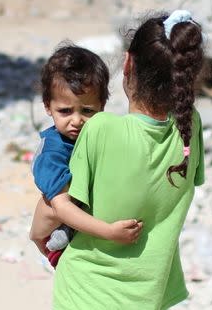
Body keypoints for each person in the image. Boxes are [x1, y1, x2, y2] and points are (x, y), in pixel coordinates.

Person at [52, 10, 206, 309]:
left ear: (127, 63)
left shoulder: (101, 129)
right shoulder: (190, 126)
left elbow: (56, 206)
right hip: (153, 296)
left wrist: (37, 235)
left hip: (87, 293)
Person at [29, 45, 143, 266]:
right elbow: (61, 208)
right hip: (58, 240)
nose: (76, 120)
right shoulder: (52, 155)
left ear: (102, 106)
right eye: (65, 111)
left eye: (88, 111)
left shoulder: (98, 136)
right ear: (47, 107)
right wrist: (109, 232)